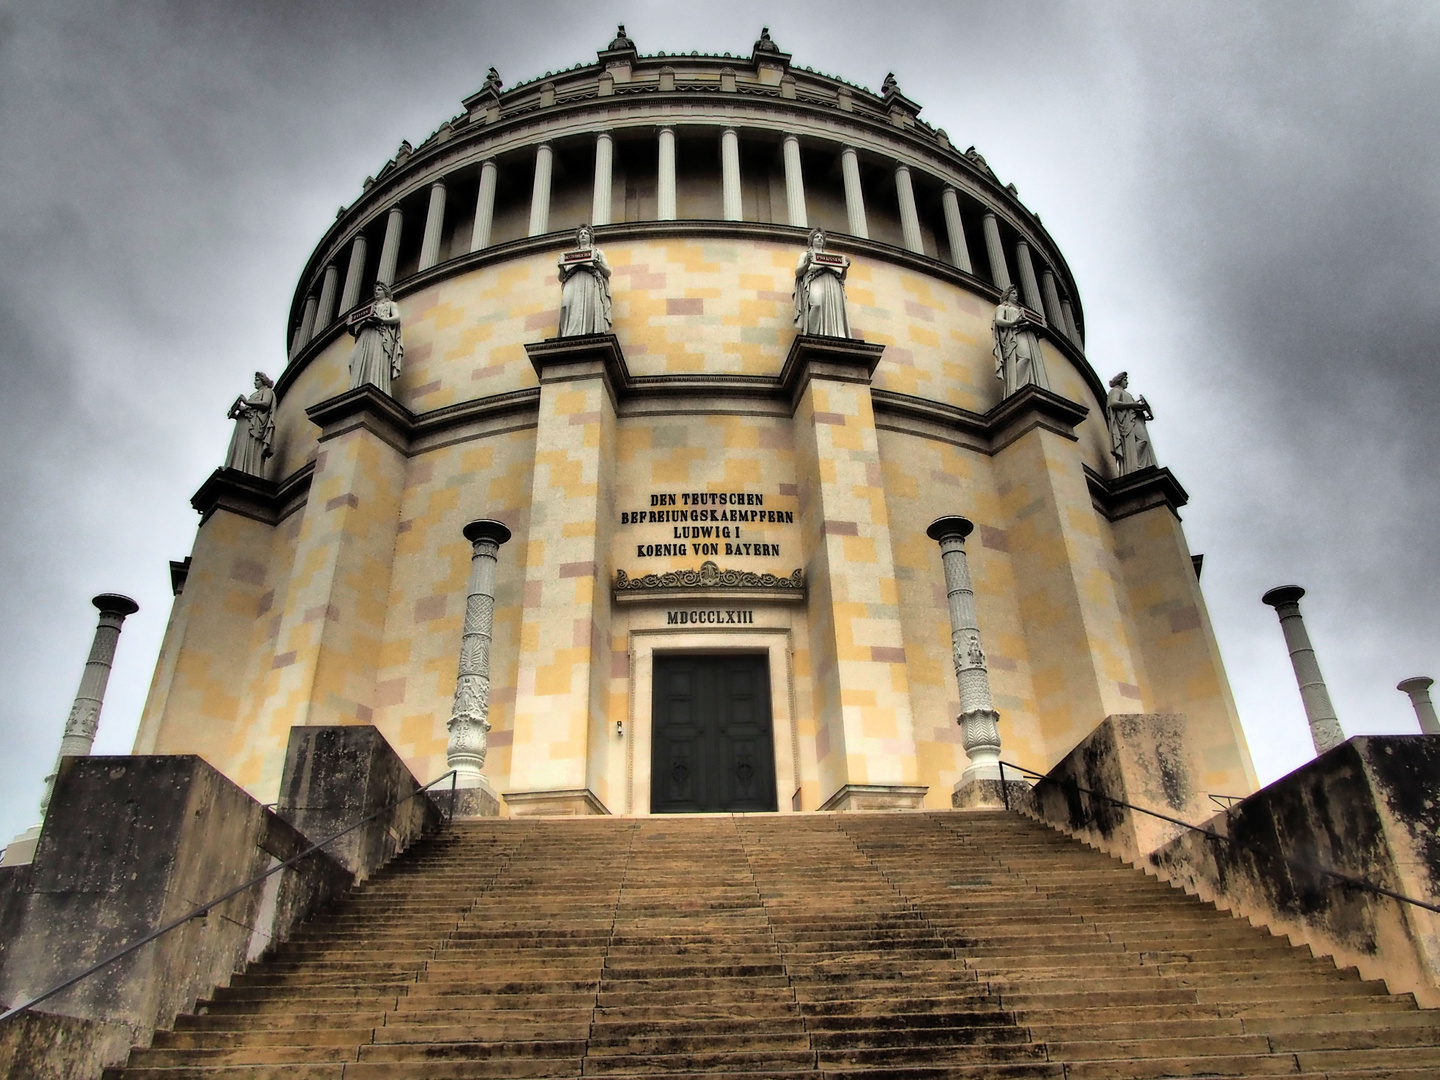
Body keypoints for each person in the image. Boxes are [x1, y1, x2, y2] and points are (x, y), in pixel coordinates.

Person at [992, 284, 1049, 396]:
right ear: (1007, 295)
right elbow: (998, 320)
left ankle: (1029, 384)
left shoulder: (1021, 310)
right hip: (1015, 334)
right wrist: (1013, 323)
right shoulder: (1002, 307)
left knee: (1031, 360)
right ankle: (1018, 387)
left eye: (1016, 294)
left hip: (1027, 334)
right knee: (1025, 357)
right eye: (1013, 293)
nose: (1016, 296)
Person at [348, 281, 403, 394]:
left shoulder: (391, 304)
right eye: (375, 290)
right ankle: (358, 385)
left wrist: (382, 320)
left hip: (379, 335)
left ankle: (376, 385)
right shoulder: (370, 308)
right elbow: (355, 327)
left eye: (379, 290)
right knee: (353, 359)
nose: (376, 292)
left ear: (385, 292)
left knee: (376, 357)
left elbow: (397, 318)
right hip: (365, 334)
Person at [793, 228, 850, 338]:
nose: (819, 239)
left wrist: (846, 268)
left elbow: (841, 277)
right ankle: (813, 335)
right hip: (815, 282)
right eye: (816, 237)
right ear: (811, 240)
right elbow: (798, 272)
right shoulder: (806, 255)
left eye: (821, 238)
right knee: (816, 304)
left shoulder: (832, 257)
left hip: (832, 285)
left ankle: (835, 335)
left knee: (835, 311)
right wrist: (807, 263)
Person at [557, 224, 613, 336]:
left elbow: (608, 272)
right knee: (566, 305)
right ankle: (568, 335)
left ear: (590, 237)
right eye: (581, 234)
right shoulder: (569, 255)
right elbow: (561, 278)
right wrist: (561, 268)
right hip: (572, 282)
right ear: (577, 238)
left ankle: (589, 333)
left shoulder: (597, 252)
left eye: (585, 233)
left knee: (589, 307)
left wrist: (598, 264)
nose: (583, 235)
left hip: (590, 281)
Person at [224, 372, 275, 476]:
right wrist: (237, 411)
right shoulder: (254, 395)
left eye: (257, 380)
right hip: (244, 423)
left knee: (250, 447)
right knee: (239, 445)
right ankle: (235, 466)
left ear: (263, 381)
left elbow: (265, 404)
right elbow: (249, 410)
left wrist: (247, 402)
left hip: (254, 426)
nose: (254, 382)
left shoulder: (267, 391)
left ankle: (248, 471)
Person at [1106, 371, 1157, 474]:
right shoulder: (1115, 391)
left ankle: (1139, 465)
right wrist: (1134, 405)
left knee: (1144, 441)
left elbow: (1130, 408)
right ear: (1119, 381)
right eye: (1125, 380)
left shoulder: (1126, 394)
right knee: (1143, 440)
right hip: (1127, 423)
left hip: (1135, 419)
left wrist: (1142, 411)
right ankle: (1133, 465)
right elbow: (1113, 403)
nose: (1127, 382)